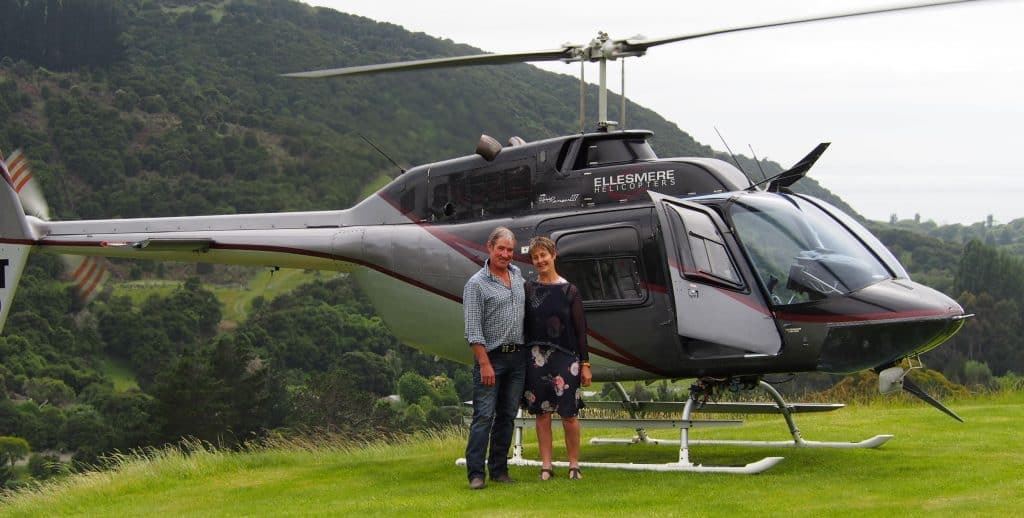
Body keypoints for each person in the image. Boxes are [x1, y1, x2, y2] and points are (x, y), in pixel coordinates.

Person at [521, 236, 591, 480]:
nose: (540, 260)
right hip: (536, 357)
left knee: (569, 414)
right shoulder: (528, 290)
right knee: (542, 414)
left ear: (553, 255)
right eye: (535, 257)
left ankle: (574, 465)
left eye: (544, 255)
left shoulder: (570, 290)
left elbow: (581, 330)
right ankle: (546, 466)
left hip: (566, 357)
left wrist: (585, 364)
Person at [463, 226, 527, 490]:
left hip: (518, 358)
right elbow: (473, 329)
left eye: (510, 250)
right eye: (501, 248)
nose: (505, 254)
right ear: (489, 248)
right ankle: (476, 474)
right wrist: (484, 363)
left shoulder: (517, 275)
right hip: (491, 359)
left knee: (507, 416)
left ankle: (499, 470)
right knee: (484, 417)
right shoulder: (476, 284)